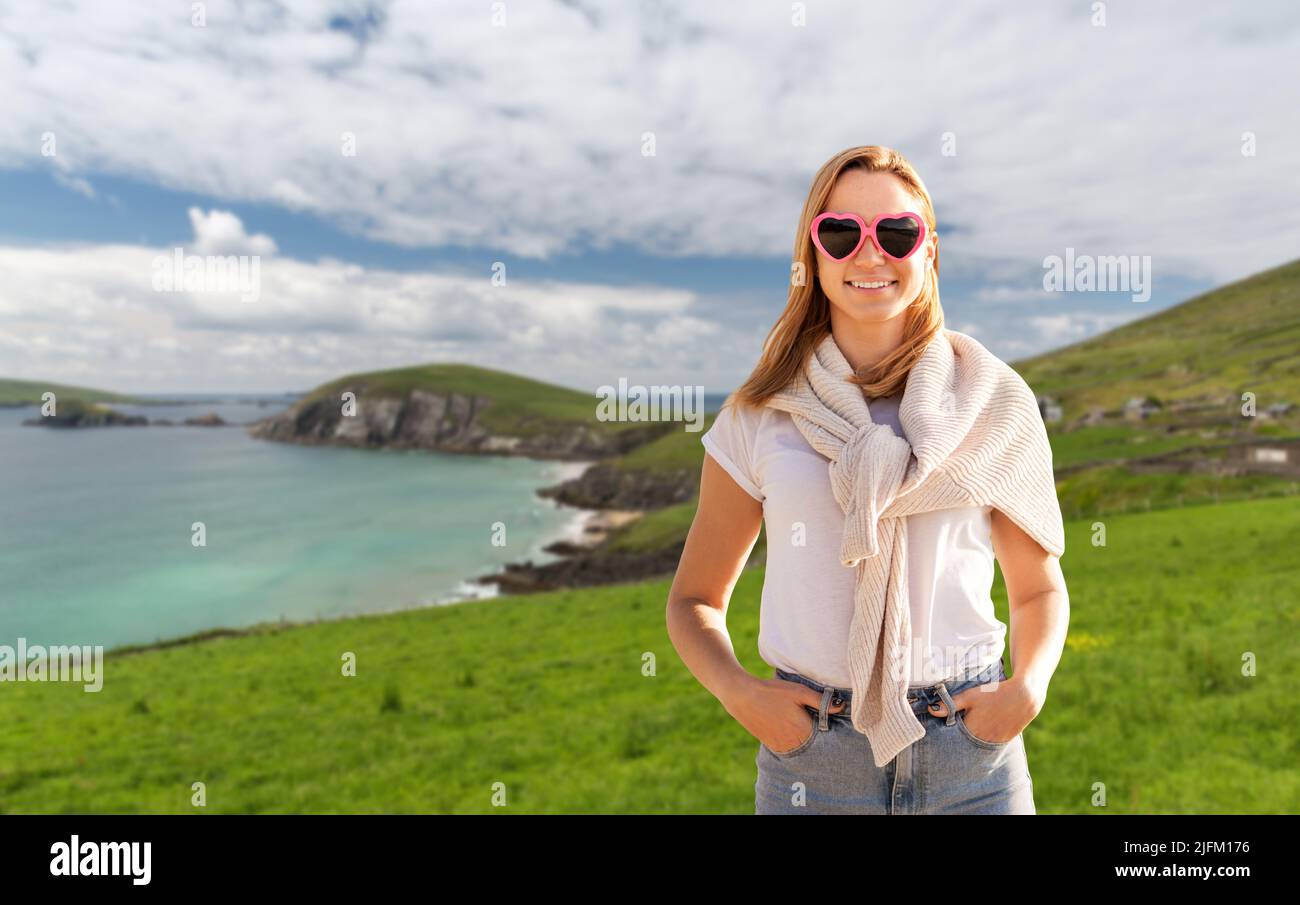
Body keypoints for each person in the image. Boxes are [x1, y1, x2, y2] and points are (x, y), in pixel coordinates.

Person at [665, 145, 1069, 814]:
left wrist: (1028, 688)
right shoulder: (761, 412)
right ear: (814, 251)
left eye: (897, 232)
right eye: (842, 232)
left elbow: (1037, 590)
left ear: (929, 251)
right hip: (814, 763)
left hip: (973, 759)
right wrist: (741, 694)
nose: (870, 253)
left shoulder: (995, 402)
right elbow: (694, 600)